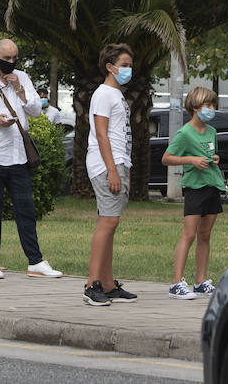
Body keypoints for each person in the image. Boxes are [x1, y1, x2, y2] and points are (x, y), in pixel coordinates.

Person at [0, 38, 63, 280]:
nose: (10, 63)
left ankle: (35, 261)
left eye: (14, 58)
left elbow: (36, 110)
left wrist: (18, 88)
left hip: (18, 154)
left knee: (26, 209)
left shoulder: (22, 78)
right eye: (6, 58)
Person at [83, 42, 138, 307]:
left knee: (111, 223)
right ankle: (92, 284)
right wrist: (113, 170)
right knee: (108, 222)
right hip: (107, 165)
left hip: (118, 162)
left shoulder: (116, 94)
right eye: (124, 65)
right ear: (110, 67)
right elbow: (101, 133)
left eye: (130, 65)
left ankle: (107, 283)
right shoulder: (104, 94)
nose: (129, 70)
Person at [161, 86, 224, 300]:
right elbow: (167, 158)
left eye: (213, 105)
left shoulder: (212, 132)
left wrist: (215, 159)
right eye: (208, 105)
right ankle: (176, 283)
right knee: (189, 234)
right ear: (196, 107)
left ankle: (201, 282)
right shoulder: (184, 133)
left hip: (212, 186)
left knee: (205, 235)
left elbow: (211, 154)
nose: (211, 109)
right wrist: (191, 161)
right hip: (195, 189)